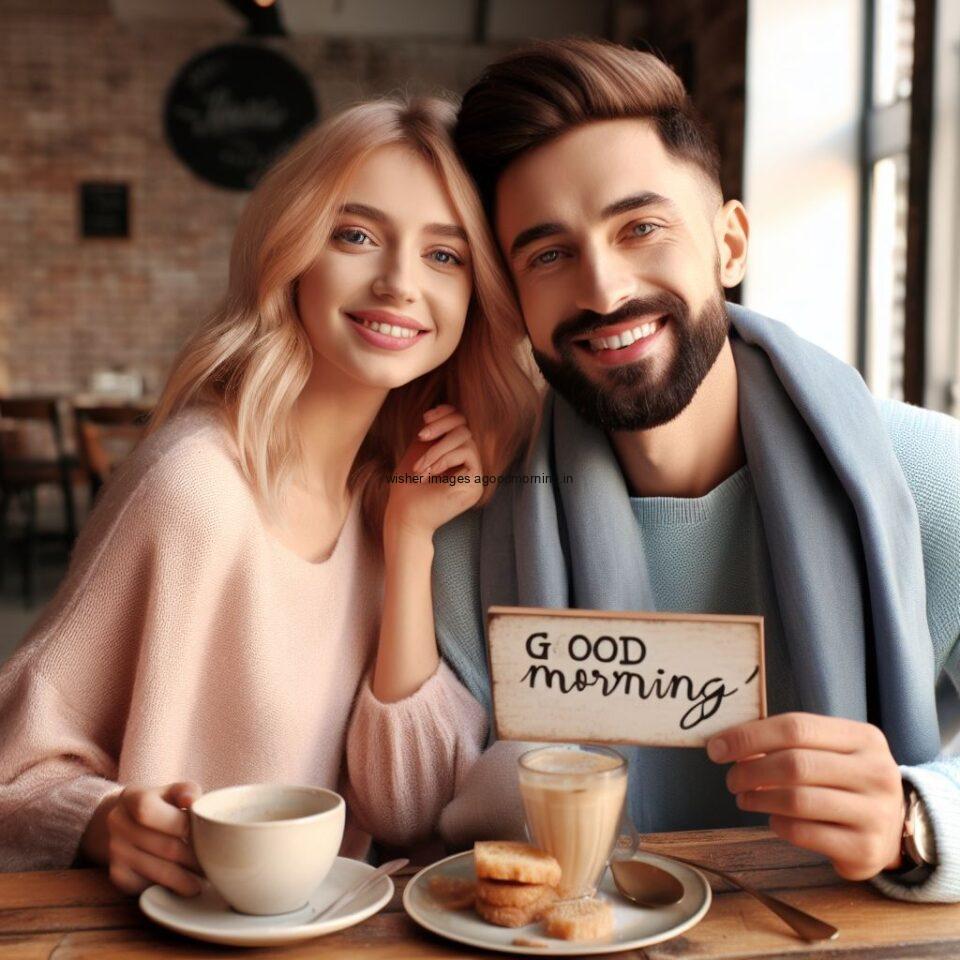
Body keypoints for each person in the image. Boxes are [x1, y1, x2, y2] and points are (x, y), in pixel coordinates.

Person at [431, 39, 960, 902]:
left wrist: (917, 816)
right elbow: (422, 808)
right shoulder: (471, 531)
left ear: (731, 242)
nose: (603, 291)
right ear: (516, 300)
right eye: (549, 255)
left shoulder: (926, 480)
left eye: (640, 228)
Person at [0, 96, 536, 896]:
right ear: (292, 253)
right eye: (356, 236)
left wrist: (409, 539)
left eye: (445, 256)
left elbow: (412, 803)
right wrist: (102, 820)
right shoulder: (195, 489)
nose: (397, 282)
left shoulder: (391, 501)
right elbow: (16, 768)